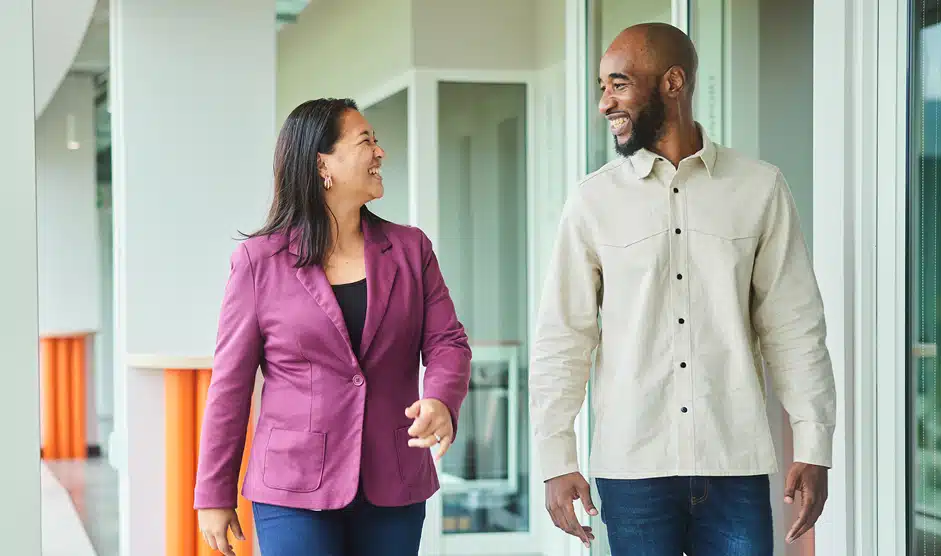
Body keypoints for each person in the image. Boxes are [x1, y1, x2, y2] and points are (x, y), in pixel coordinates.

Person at [530, 23, 837, 555]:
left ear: (673, 82)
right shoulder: (592, 202)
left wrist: (814, 444)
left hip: (733, 465)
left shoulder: (759, 189)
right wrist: (557, 459)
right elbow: (564, 336)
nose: (605, 103)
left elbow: (795, 325)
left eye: (619, 84)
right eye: (602, 87)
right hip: (632, 471)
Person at [193, 97, 472, 556]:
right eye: (367, 141)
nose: (380, 152)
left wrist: (441, 397)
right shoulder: (258, 262)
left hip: (394, 479)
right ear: (322, 164)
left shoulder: (410, 249)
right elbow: (231, 384)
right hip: (292, 486)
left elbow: (447, 341)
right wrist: (213, 492)